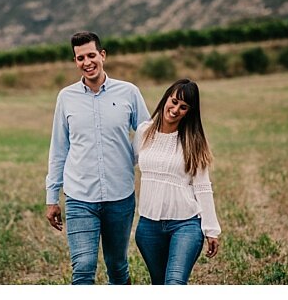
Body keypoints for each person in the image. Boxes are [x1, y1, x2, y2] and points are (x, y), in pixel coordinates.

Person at [45, 31, 151, 284]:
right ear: (75, 61)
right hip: (80, 197)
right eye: (80, 58)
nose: (87, 62)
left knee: (117, 265)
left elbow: (147, 133)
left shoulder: (129, 92)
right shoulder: (66, 98)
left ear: (102, 55)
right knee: (83, 266)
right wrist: (51, 198)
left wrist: (134, 158)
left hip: (120, 196)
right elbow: (59, 149)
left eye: (91, 55)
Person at [135, 78, 221, 284]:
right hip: (148, 226)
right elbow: (128, 163)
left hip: (185, 225)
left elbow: (202, 187)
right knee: (159, 283)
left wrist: (211, 230)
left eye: (183, 107)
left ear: (189, 112)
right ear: (166, 99)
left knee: (174, 283)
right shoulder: (144, 132)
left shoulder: (193, 141)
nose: (175, 109)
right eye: (173, 102)